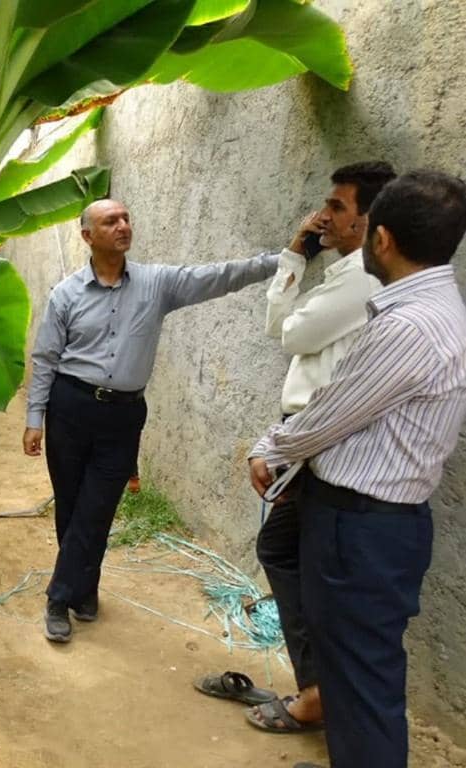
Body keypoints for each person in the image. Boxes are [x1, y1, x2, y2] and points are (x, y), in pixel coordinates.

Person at [248, 170, 466, 768]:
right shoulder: (433, 306)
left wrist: (269, 447)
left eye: (343, 210)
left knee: (361, 694)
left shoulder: (404, 326)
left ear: (383, 237)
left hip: (361, 529)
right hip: (370, 523)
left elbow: (330, 413)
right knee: (362, 684)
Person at [23, 198, 280, 643]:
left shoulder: (157, 284)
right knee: (71, 504)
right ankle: (85, 589)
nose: (123, 226)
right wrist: (34, 418)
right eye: (110, 221)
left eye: (125, 218)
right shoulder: (65, 294)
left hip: (123, 415)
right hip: (70, 407)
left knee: (98, 507)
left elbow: (219, 277)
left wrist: (282, 260)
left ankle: (58, 597)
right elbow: (45, 359)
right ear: (88, 236)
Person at [198, 162, 396, 732]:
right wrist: (298, 257)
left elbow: (288, 332)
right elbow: (282, 327)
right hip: (306, 440)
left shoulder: (361, 279)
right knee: (289, 552)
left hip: (319, 442)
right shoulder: (342, 273)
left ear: (367, 220)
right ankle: (319, 686)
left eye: (336, 207)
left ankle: (318, 692)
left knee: (287, 552)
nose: (322, 216)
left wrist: (294, 261)